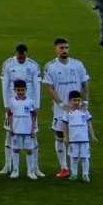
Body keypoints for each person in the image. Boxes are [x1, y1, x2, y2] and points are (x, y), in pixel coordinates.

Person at [43, 36, 90, 179]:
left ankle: (80, 168)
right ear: (56, 49)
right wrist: (62, 104)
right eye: (61, 48)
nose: (64, 50)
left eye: (66, 47)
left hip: (78, 109)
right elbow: (49, 88)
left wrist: (85, 103)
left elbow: (85, 84)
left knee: (77, 136)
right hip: (61, 109)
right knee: (60, 135)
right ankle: (64, 167)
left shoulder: (78, 64)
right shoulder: (50, 66)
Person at [0, 43, 43, 177]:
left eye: (23, 56)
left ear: (26, 54)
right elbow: (5, 84)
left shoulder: (33, 65)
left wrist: (37, 105)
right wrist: (6, 104)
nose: (21, 58)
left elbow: (37, 86)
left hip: (29, 106)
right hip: (13, 105)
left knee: (33, 135)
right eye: (19, 56)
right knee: (9, 134)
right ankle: (8, 166)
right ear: (16, 53)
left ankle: (35, 168)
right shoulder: (8, 64)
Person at [6, 80, 39, 179]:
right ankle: (15, 170)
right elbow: (10, 115)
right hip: (16, 130)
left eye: (22, 90)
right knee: (15, 149)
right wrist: (11, 128)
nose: (20, 92)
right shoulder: (12, 101)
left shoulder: (30, 101)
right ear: (15, 90)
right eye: (18, 90)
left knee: (29, 150)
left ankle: (31, 171)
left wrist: (33, 129)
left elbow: (34, 116)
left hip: (27, 130)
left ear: (26, 90)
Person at [60, 91, 94, 182]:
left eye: (78, 100)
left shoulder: (85, 111)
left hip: (84, 139)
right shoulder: (67, 113)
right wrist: (65, 137)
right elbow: (64, 125)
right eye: (74, 100)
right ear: (70, 101)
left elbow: (89, 123)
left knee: (85, 157)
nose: (76, 102)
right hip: (73, 140)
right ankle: (74, 174)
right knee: (74, 157)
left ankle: (85, 174)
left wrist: (92, 135)